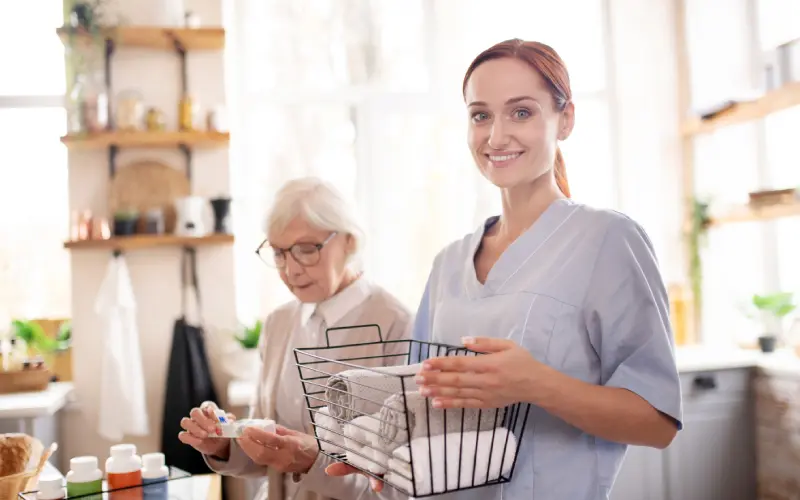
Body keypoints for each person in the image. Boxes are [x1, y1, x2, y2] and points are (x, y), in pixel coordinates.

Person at [327, 39, 683, 499]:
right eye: (480, 115)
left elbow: (656, 423)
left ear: (566, 119)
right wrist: (383, 452)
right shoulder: (449, 263)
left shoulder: (608, 241)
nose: (496, 137)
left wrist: (535, 384)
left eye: (521, 112)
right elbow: (421, 401)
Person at [178, 176, 414, 500]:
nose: (291, 270)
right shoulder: (279, 324)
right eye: (279, 253)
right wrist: (223, 443)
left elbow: (400, 478)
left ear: (349, 241)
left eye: (306, 249)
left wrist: (312, 460)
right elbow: (264, 448)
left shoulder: (396, 325)